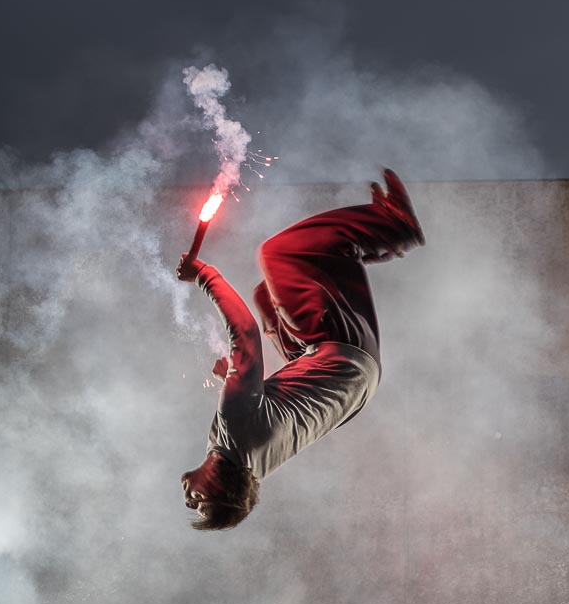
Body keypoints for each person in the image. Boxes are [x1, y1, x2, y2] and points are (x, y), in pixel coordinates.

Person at [174, 169, 424, 530]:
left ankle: (357, 247)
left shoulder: (250, 463)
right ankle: (394, 226)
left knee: (268, 294)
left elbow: (272, 410)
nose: (187, 499)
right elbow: (244, 334)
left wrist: (230, 375)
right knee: (279, 254)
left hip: (349, 380)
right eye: (197, 505)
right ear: (218, 487)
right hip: (342, 356)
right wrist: (203, 275)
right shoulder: (236, 430)